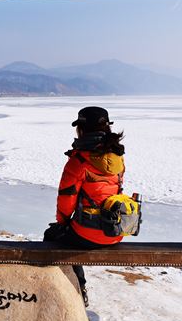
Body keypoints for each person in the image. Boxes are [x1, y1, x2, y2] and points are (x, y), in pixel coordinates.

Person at [43, 106, 125, 307]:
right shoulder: (117, 157)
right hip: (115, 231)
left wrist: (62, 223)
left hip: (88, 234)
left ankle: (76, 290)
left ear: (82, 129)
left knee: (52, 237)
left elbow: (66, 198)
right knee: (69, 234)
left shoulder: (79, 160)